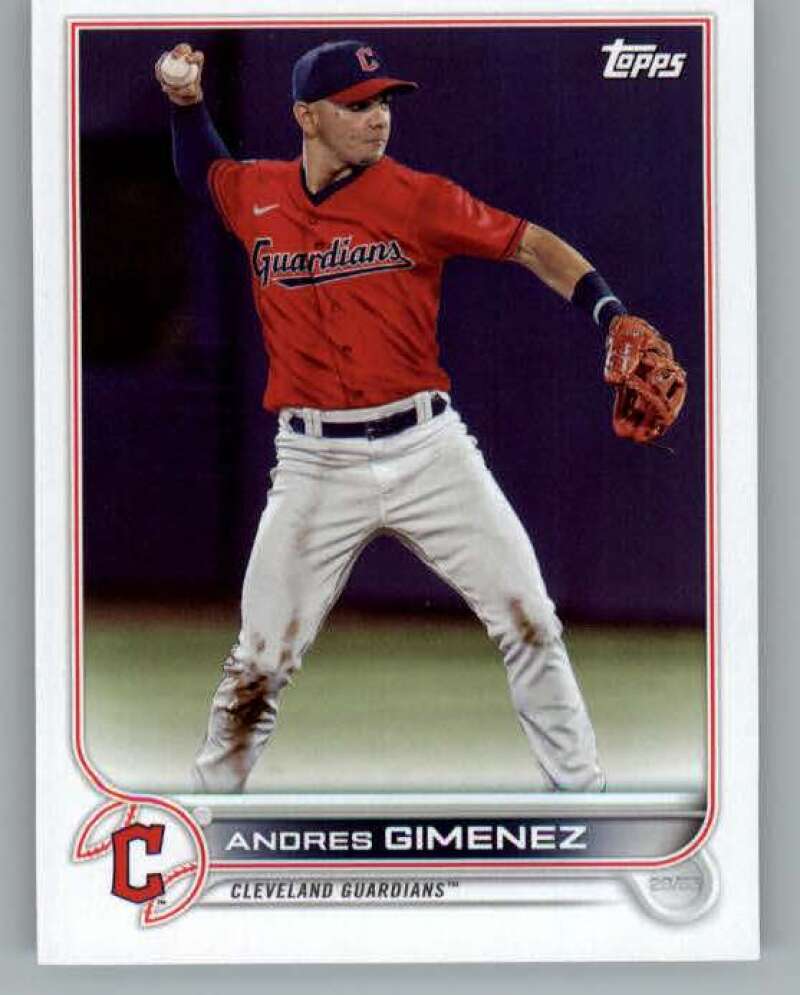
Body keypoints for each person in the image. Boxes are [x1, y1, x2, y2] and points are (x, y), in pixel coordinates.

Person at [155, 38, 620, 794]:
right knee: (260, 661)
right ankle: (205, 819)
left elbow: (529, 244)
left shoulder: (418, 197)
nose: (378, 118)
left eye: (383, 102)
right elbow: (203, 173)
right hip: (313, 464)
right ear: (306, 116)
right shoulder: (259, 193)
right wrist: (186, 104)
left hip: (430, 450)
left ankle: (584, 802)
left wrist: (609, 310)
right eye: (356, 105)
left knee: (530, 620)